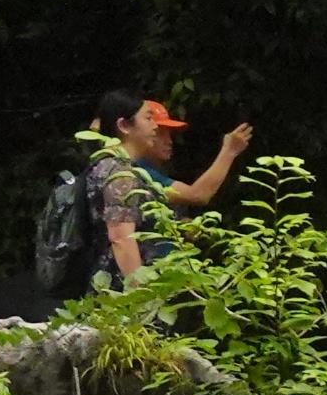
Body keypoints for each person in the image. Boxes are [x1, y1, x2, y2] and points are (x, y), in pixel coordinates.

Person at [88, 91, 256, 282]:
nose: (168, 139)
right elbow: (122, 239)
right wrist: (139, 296)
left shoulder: (125, 169)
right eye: (152, 122)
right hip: (126, 290)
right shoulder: (120, 172)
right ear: (124, 126)